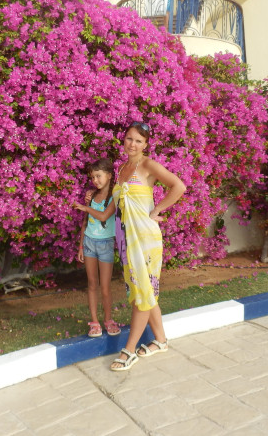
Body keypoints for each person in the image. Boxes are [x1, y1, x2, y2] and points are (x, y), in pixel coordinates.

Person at [74, 122, 186, 371]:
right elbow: (112, 205)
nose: (132, 144)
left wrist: (157, 210)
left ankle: (129, 351)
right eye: (129, 139)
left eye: (138, 140)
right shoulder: (122, 168)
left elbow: (179, 186)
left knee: (141, 294)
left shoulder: (148, 165)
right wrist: (92, 196)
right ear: (123, 140)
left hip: (145, 239)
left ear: (145, 144)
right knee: (144, 290)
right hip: (127, 240)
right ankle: (161, 340)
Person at [77, 158, 121, 338]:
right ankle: (94, 322)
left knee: (105, 287)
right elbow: (85, 223)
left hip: (105, 244)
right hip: (89, 242)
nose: (95, 180)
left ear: (109, 175)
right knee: (92, 283)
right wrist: (81, 246)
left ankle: (108, 320)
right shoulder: (92, 196)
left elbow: (103, 217)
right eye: (93, 177)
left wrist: (85, 208)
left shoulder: (114, 197)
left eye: (98, 176)